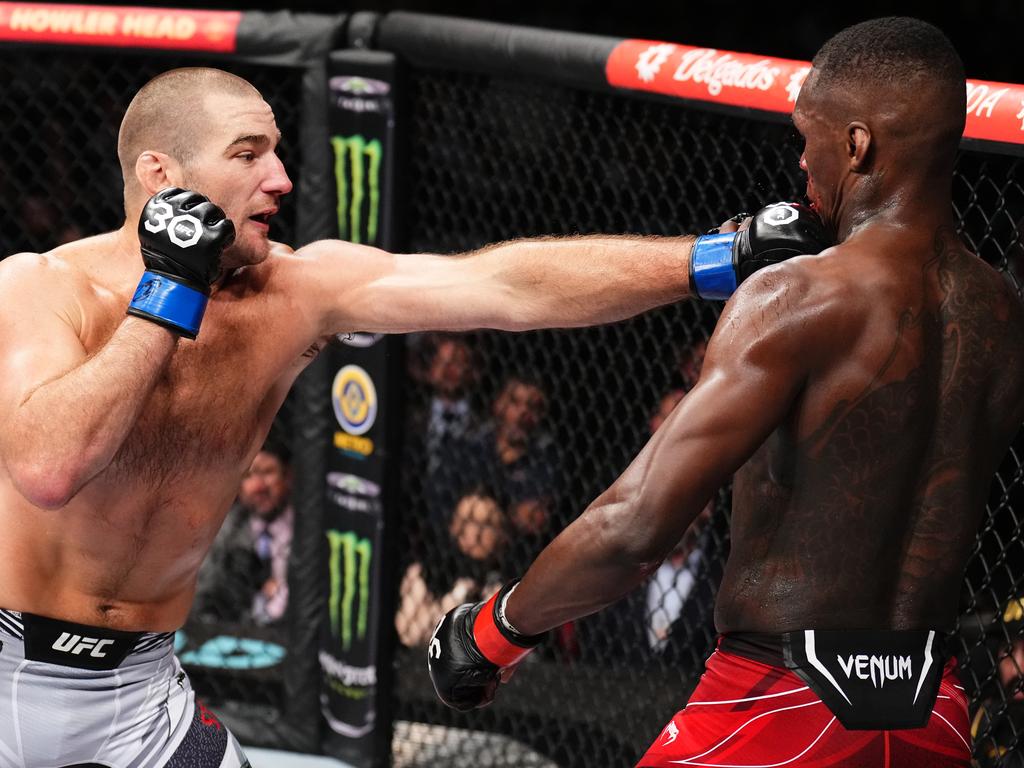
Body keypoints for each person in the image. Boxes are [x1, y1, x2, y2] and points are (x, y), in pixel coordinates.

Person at [0, 64, 827, 766]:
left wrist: (712, 259)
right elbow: (49, 467)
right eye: (248, 155)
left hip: (141, 696)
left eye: (279, 153)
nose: (280, 180)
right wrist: (164, 295)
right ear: (161, 176)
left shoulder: (295, 292)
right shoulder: (40, 288)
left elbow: (503, 288)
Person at [427, 17, 1024, 768]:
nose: (801, 161)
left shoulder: (798, 297)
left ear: (858, 144)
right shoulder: (1003, 316)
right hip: (933, 710)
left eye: (808, 135)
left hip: (778, 703)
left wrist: (491, 631)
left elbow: (637, 524)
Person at [194, 440, 294, 626]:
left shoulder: (303, 528)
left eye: (267, 473)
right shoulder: (226, 528)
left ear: (288, 476)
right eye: (249, 475)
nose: (258, 487)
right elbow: (205, 591)